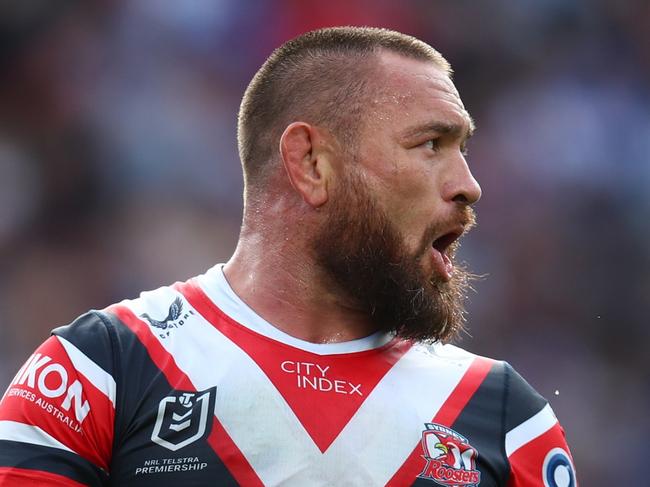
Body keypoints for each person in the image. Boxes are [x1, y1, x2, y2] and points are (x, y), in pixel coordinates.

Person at [0, 27, 576, 486]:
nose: (469, 185)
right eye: (431, 144)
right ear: (311, 164)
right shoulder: (100, 369)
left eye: (463, 150)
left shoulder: (505, 418)